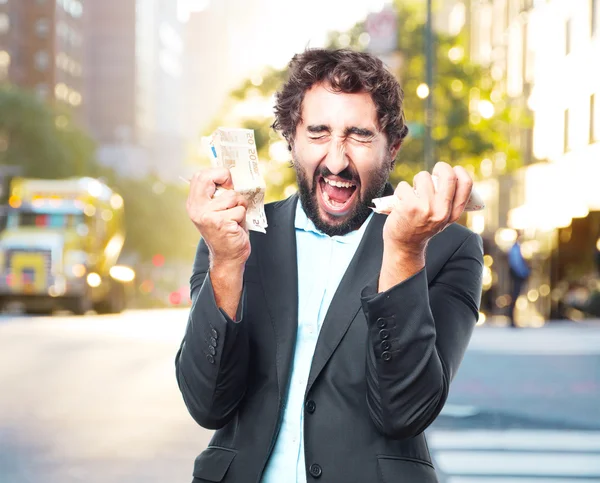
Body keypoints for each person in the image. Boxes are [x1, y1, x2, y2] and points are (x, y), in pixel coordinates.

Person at [176, 49, 483, 483]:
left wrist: (404, 253)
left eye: (358, 136)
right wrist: (225, 263)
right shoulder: (233, 235)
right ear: (291, 139)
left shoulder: (449, 248)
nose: (337, 161)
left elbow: (405, 411)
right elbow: (207, 404)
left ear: (391, 147)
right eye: (318, 133)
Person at [507, 231, 530, 327]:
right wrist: (524, 273)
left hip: (517, 274)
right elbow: (516, 264)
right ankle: (511, 319)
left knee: (515, 296)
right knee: (514, 296)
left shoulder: (516, 248)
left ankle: (512, 319)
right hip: (517, 275)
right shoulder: (515, 249)